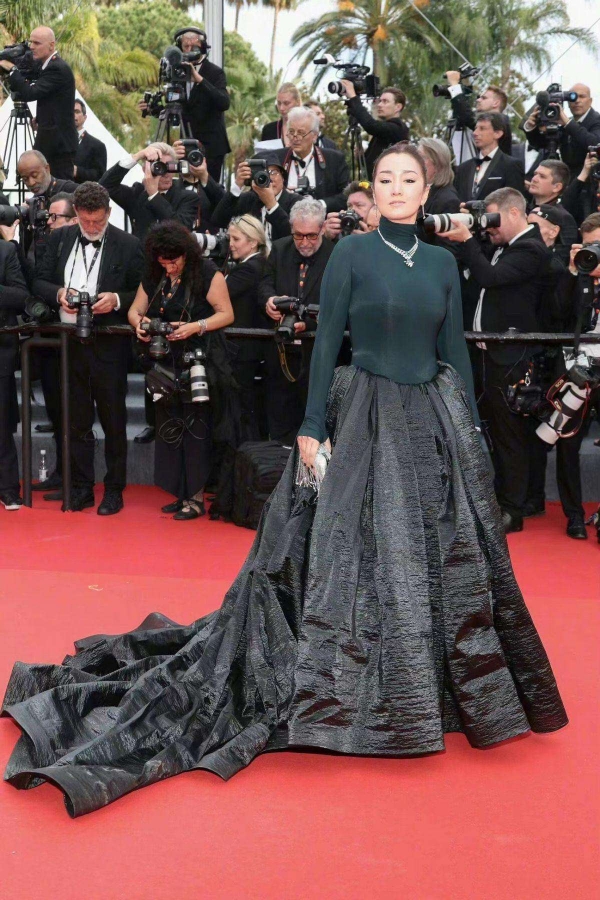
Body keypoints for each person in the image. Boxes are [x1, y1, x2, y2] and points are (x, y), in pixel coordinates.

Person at [0, 142, 567, 819]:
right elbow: (327, 343)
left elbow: (453, 355)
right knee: (345, 554)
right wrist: (311, 425)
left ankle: (421, 685)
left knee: (434, 557)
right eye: (385, 178)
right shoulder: (351, 254)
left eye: (408, 179)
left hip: (429, 422)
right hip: (363, 415)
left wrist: (469, 433)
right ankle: (354, 682)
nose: (395, 188)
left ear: (426, 191)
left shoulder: (445, 264)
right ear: (373, 190)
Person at [443, 187, 551, 533]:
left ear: (515, 213)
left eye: (494, 218)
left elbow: (490, 278)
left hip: (513, 358)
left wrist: (467, 240)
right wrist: (468, 237)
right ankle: (507, 500)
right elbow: (476, 279)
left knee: (510, 436)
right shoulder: (500, 248)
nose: (488, 226)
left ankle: (512, 509)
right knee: (498, 434)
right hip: (491, 355)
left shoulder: (531, 249)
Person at [32, 182, 144, 514]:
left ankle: (114, 489)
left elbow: (143, 290)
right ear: (76, 214)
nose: (92, 227)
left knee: (113, 419)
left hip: (108, 342)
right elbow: (38, 281)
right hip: (67, 344)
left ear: (109, 213)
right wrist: (59, 294)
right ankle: (81, 487)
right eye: (85, 220)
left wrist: (117, 300)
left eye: (98, 220)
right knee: (75, 420)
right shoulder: (59, 238)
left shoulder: (129, 244)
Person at [129, 222, 233, 519]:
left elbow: (227, 314)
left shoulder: (208, 272)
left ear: (186, 253)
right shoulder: (154, 273)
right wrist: (140, 325)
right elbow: (135, 310)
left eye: (173, 261)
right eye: (163, 262)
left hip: (198, 361)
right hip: (163, 363)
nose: (169, 267)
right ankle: (180, 491)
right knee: (170, 428)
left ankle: (196, 497)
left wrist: (194, 327)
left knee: (196, 430)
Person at [259, 197, 334, 443]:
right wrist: (270, 300)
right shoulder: (280, 248)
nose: (304, 242)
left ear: (322, 228)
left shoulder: (336, 254)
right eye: (298, 235)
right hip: (281, 352)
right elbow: (264, 283)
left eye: (311, 236)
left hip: (318, 355)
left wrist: (310, 324)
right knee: (280, 420)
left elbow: (342, 301)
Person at [28, 192, 79, 493]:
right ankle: (62, 472)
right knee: (56, 410)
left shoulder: (82, 248)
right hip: (49, 340)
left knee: (74, 413)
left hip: (80, 343)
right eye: (48, 216)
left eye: (55, 217)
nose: (49, 222)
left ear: (73, 220)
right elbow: (34, 282)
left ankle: (77, 476)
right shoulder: (45, 245)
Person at [0, 27, 78, 178]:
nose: (31, 47)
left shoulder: (56, 68)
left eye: (37, 43)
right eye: (31, 42)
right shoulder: (48, 66)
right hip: (52, 141)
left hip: (58, 145)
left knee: (60, 187)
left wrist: (12, 69)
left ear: (51, 45)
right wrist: (41, 120)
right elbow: (54, 101)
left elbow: (30, 93)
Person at [225, 215, 269, 441]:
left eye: (236, 239)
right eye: (230, 239)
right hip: (247, 349)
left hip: (243, 350)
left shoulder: (249, 269)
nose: (230, 244)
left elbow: (217, 295)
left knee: (242, 409)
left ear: (253, 242)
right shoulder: (256, 265)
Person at [100, 142, 198, 240]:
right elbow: (105, 185)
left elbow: (180, 229)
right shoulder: (137, 194)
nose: (166, 174)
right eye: (160, 168)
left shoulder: (188, 197)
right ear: (145, 170)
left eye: (170, 167)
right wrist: (137, 156)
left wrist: (154, 195)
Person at [176, 28, 231, 182]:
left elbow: (224, 102)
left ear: (203, 48)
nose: (189, 51)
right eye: (185, 47)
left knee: (209, 190)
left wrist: (200, 80)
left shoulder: (215, 72)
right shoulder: (178, 73)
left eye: (194, 47)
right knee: (186, 190)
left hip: (211, 147)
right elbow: (176, 105)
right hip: (186, 144)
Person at [273, 107, 349, 212]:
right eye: (291, 132)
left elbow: (346, 196)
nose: (295, 137)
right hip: (283, 217)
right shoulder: (276, 158)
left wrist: (319, 205)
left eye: (301, 133)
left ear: (314, 136)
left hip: (323, 220)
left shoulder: (334, 159)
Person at [0, 243, 30, 511]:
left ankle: (7, 489)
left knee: (1, 425)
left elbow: (21, 296)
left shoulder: (4, 252)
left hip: (0, 352)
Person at [211, 156, 300, 242]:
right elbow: (218, 220)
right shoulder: (249, 200)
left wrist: (272, 205)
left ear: (283, 177)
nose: (269, 178)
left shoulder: (296, 202)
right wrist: (237, 186)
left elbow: (294, 236)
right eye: (263, 174)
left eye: (273, 172)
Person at [523, 83, 600, 176]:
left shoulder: (596, 120)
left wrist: (567, 122)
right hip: (568, 180)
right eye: (572, 97)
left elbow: (594, 143)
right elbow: (540, 144)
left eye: (582, 96)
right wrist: (531, 126)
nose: (577, 101)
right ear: (567, 103)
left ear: (590, 101)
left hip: (591, 180)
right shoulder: (565, 122)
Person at [342, 84, 409, 179]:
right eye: (380, 101)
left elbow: (371, 125)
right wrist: (362, 156)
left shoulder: (398, 128)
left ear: (398, 107)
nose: (379, 105)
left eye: (385, 101)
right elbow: (372, 166)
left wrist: (353, 98)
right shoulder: (385, 131)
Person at [454, 113, 525, 202]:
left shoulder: (511, 165)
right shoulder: (463, 168)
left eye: (482, 128)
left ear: (497, 134)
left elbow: (515, 201)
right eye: (476, 128)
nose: (475, 133)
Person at [444, 75, 512, 156]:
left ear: (496, 103)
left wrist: (455, 85)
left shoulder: (501, 121)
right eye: (479, 97)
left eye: (484, 98)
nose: (478, 100)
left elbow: (466, 116)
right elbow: (464, 116)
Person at [418, 137, 461, 215]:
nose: (416, 161)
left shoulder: (448, 201)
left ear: (438, 165)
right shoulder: (415, 191)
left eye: (422, 158)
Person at [73, 99, 107, 183]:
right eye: (70, 111)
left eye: (77, 112)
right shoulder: (57, 140)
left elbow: (100, 176)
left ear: (85, 117)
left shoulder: (98, 146)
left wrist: (78, 171)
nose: (73, 115)